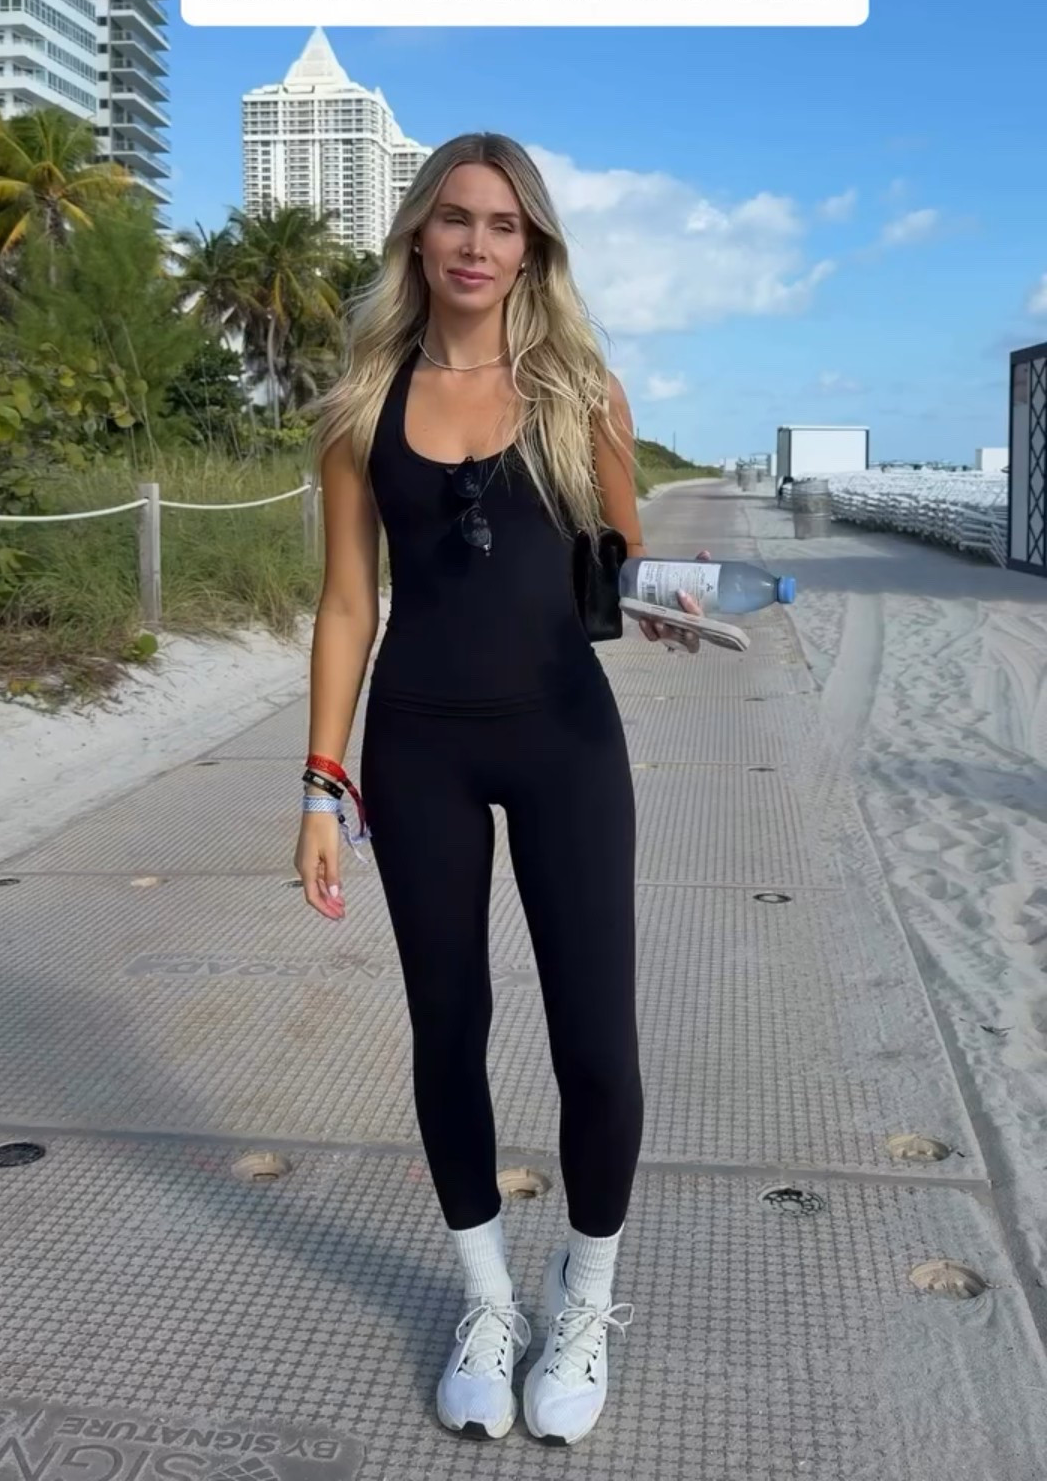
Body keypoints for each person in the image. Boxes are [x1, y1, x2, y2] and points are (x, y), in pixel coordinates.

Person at [295, 132, 705, 1447]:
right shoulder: (363, 403)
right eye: (457, 218)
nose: (478, 244)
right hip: (419, 746)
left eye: (505, 224)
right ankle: (487, 1301)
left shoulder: (582, 387)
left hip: (564, 738)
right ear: (419, 234)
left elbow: (619, 562)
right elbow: (348, 604)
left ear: (534, 249)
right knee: (447, 1030)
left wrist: (662, 599)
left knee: (599, 1045)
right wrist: (322, 784)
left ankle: (582, 1305)